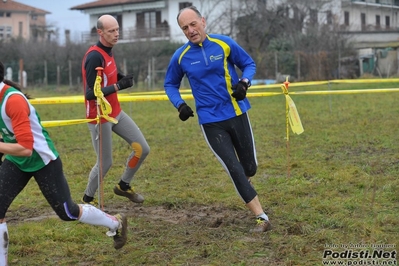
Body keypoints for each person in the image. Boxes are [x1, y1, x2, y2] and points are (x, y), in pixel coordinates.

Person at [0, 61, 128, 266]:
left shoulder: (13, 101)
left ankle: (114, 222)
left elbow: (26, 147)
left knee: (68, 212)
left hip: (42, 159)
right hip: (16, 159)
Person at [164, 6, 272, 233]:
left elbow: (249, 64)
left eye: (193, 24)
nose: (190, 30)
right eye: (185, 28)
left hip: (236, 111)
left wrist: (244, 83)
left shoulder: (224, 43)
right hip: (210, 121)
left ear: (202, 21)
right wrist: (180, 104)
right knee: (234, 168)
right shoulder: (181, 56)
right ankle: (261, 216)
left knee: (249, 167)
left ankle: (247, 183)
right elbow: (170, 84)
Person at [81, 14, 150, 205]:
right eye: (111, 31)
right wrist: (119, 86)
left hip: (115, 112)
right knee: (105, 163)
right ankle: (87, 200)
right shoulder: (95, 56)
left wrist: (120, 77)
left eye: (117, 29)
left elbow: (106, 77)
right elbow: (89, 94)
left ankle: (123, 186)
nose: (116, 34)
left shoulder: (109, 50)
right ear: (100, 32)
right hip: (99, 116)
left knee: (142, 149)